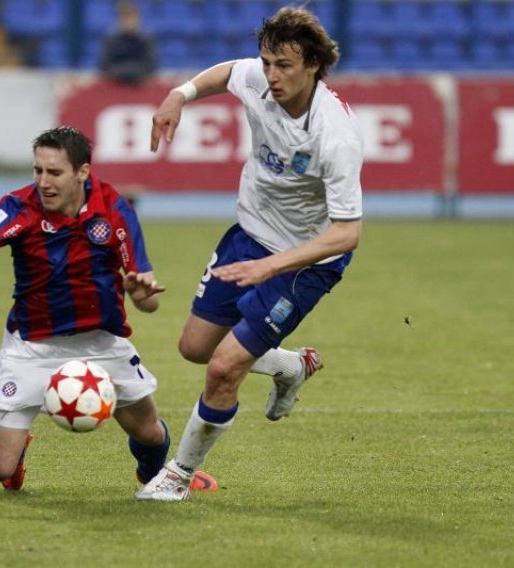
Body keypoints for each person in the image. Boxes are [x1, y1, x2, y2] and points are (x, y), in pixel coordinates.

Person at [0, 127, 215, 494]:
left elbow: (149, 302)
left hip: (102, 343)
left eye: (54, 173)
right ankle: (14, 453)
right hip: (32, 346)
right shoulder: (17, 209)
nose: (43, 182)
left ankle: (156, 476)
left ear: (82, 172)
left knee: (149, 433)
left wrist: (137, 291)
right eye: (38, 171)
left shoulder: (114, 210)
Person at [135, 7, 364, 501]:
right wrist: (180, 95)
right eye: (267, 63)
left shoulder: (336, 135)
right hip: (247, 236)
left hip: (305, 262)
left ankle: (178, 475)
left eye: (284, 65)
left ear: (314, 66)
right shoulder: (258, 79)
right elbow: (224, 74)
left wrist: (273, 266)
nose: (271, 75)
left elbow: (347, 234)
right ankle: (289, 366)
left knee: (223, 368)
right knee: (194, 349)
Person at [99, 1, 157, 86]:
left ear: (138, 18)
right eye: (125, 18)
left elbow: (151, 65)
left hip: (141, 85)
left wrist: (133, 73)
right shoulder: (111, 39)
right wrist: (121, 73)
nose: (128, 22)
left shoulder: (147, 39)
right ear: (119, 19)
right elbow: (104, 65)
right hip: (115, 85)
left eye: (131, 18)